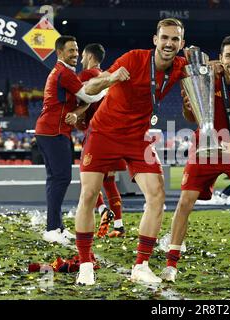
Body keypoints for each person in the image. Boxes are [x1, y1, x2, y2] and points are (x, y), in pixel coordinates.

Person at [74, 18, 187, 285]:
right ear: (155, 39)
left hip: (138, 137)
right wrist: (111, 78)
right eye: (165, 38)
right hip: (104, 133)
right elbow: (89, 89)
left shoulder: (181, 66)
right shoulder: (134, 58)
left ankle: (141, 265)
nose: (169, 43)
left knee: (157, 195)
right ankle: (85, 264)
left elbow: (211, 70)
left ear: (181, 44)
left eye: (175, 39)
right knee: (89, 194)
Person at [160, 35, 230, 283]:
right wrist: (189, 106)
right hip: (205, 147)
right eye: (228, 56)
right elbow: (190, 116)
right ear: (220, 59)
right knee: (185, 202)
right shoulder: (207, 77)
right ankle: (171, 264)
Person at [35, 35, 106, 246]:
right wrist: (110, 87)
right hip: (53, 132)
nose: (75, 54)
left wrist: (78, 110)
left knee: (56, 180)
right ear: (59, 53)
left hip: (51, 131)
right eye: (71, 51)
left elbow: (81, 101)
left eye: (77, 50)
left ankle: (56, 227)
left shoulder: (63, 72)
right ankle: (52, 228)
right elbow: (90, 97)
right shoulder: (64, 73)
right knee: (61, 179)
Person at [76, 43, 126, 239]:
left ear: (88, 56)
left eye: (81, 56)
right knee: (109, 180)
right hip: (114, 134)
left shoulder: (86, 77)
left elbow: (80, 105)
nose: (80, 60)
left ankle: (102, 209)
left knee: (88, 179)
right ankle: (119, 226)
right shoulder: (109, 76)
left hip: (95, 135)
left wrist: (77, 119)